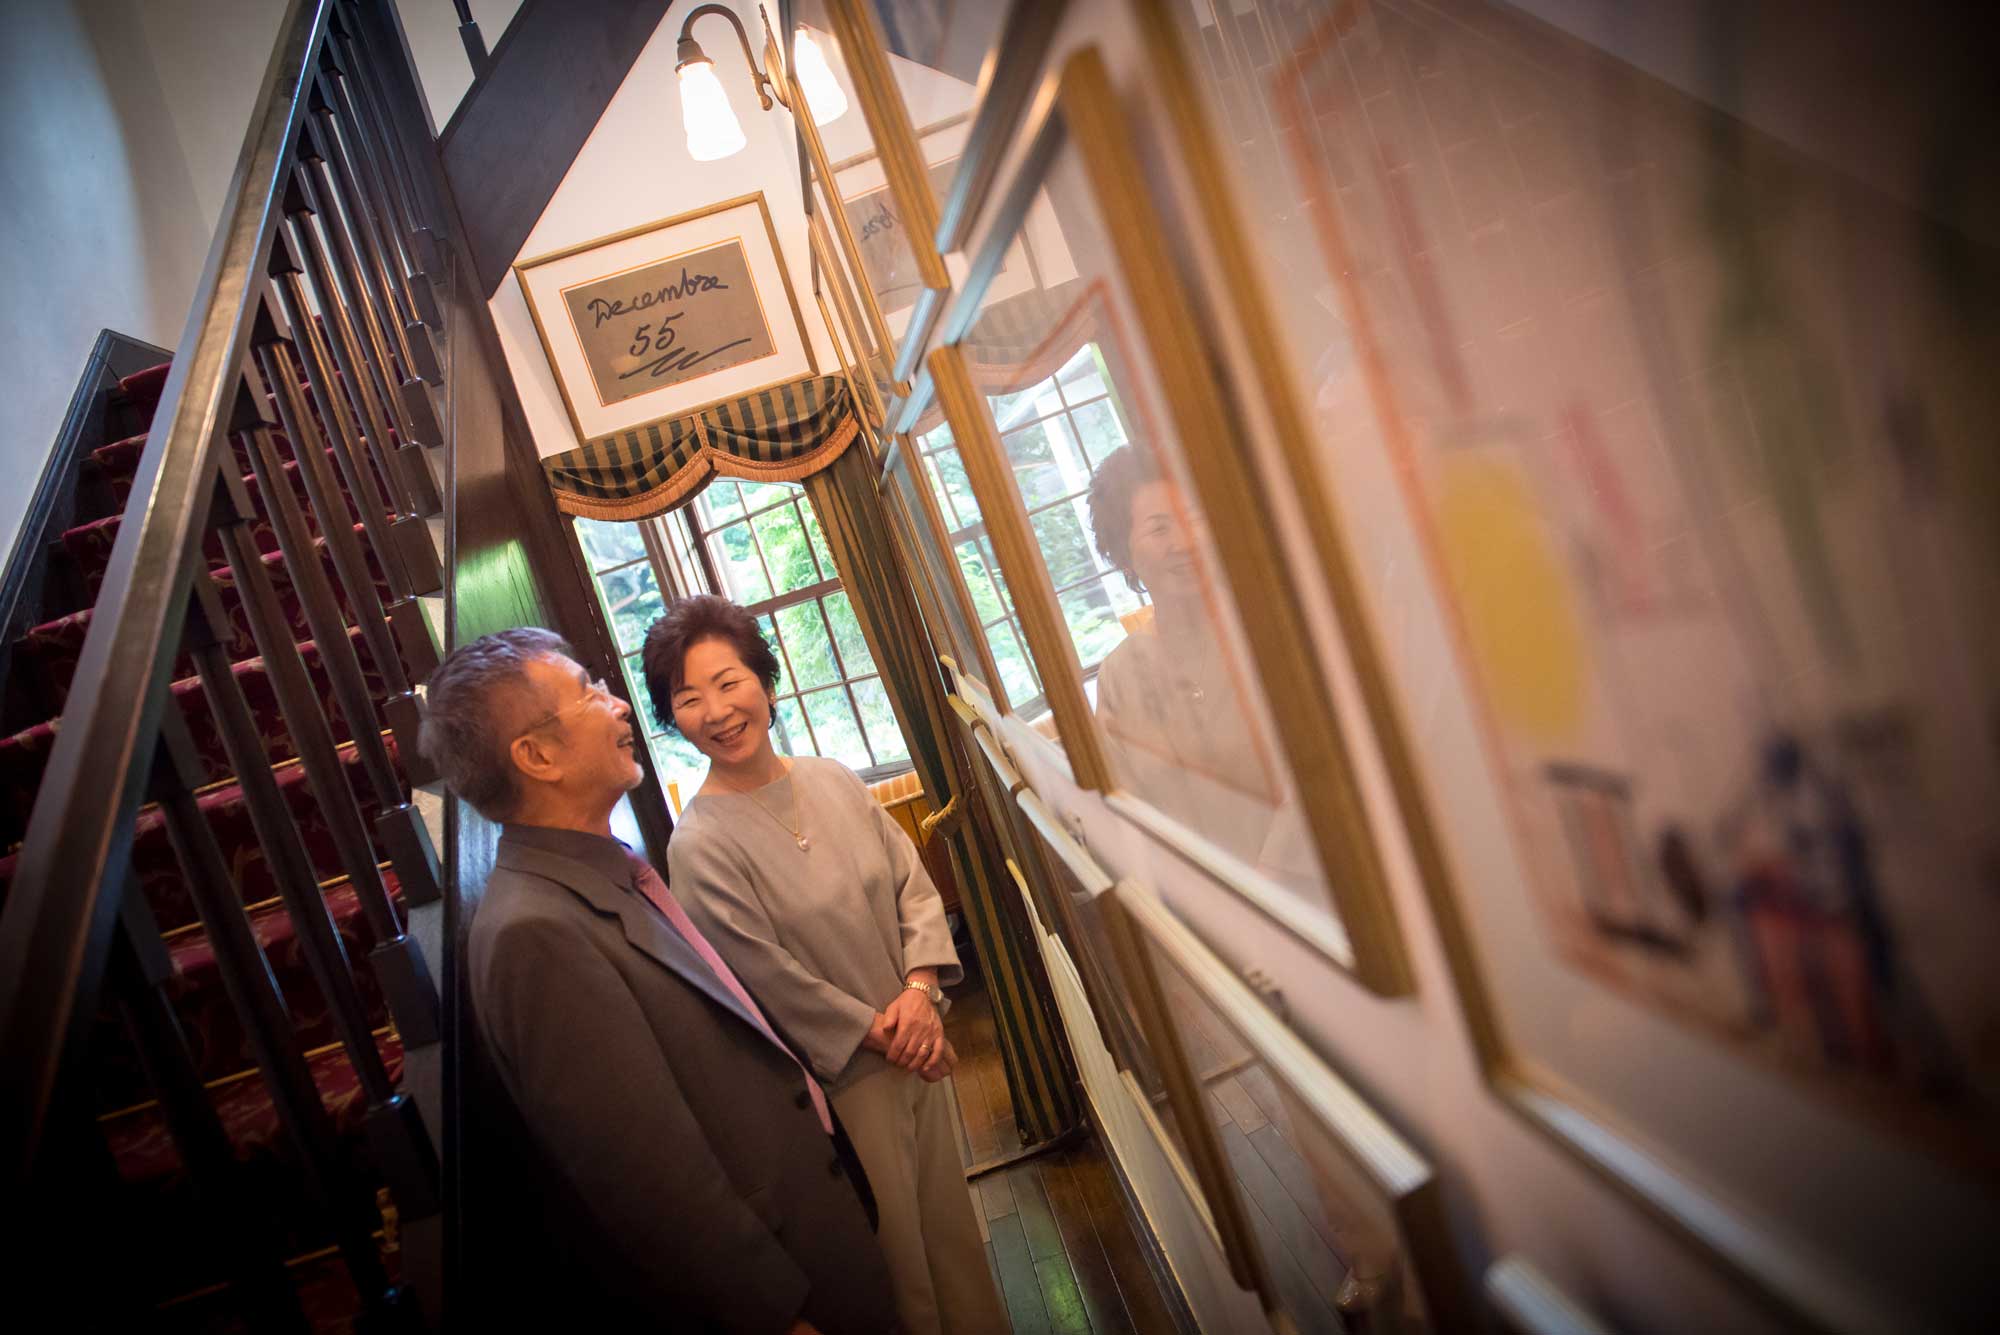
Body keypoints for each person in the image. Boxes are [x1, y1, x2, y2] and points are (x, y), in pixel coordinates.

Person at [422, 627, 897, 1335]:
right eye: (587, 691)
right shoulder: (534, 935)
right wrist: (776, 1315)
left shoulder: (603, 870)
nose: (618, 705)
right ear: (537, 756)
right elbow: (649, 1180)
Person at [644, 596, 1009, 1335]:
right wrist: (890, 1030)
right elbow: (764, 977)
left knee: (957, 1242)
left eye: (729, 681)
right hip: (844, 1087)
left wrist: (919, 994)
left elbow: (912, 887)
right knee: (902, 1272)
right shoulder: (699, 846)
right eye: (688, 698)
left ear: (765, 680)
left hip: (920, 1046)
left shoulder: (833, 778)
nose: (717, 710)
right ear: (672, 718)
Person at [1085, 444, 1287, 867]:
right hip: (1195, 900)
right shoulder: (1119, 676)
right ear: (1124, 555)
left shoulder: (1270, 631)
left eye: (1193, 518)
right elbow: (1125, 815)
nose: (1184, 542)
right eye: (1159, 529)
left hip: (1310, 888)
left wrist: (1267, 881)